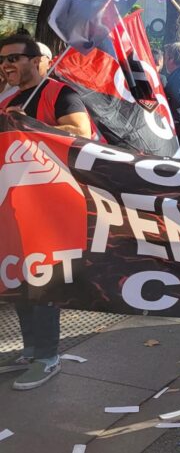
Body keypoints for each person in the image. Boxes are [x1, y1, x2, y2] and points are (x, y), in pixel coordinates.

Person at [0, 33, 92, 391]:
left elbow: (81, 133)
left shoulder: (59, 93)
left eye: (14, 58)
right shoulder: (10, 98)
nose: (6, 64)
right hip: (15, 205)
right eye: (2, 59)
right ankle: (31, 349)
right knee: (20, 277)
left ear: (36, 61)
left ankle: (48, 357)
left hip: (51, 209)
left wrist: (33, 126)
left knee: (43, 280)